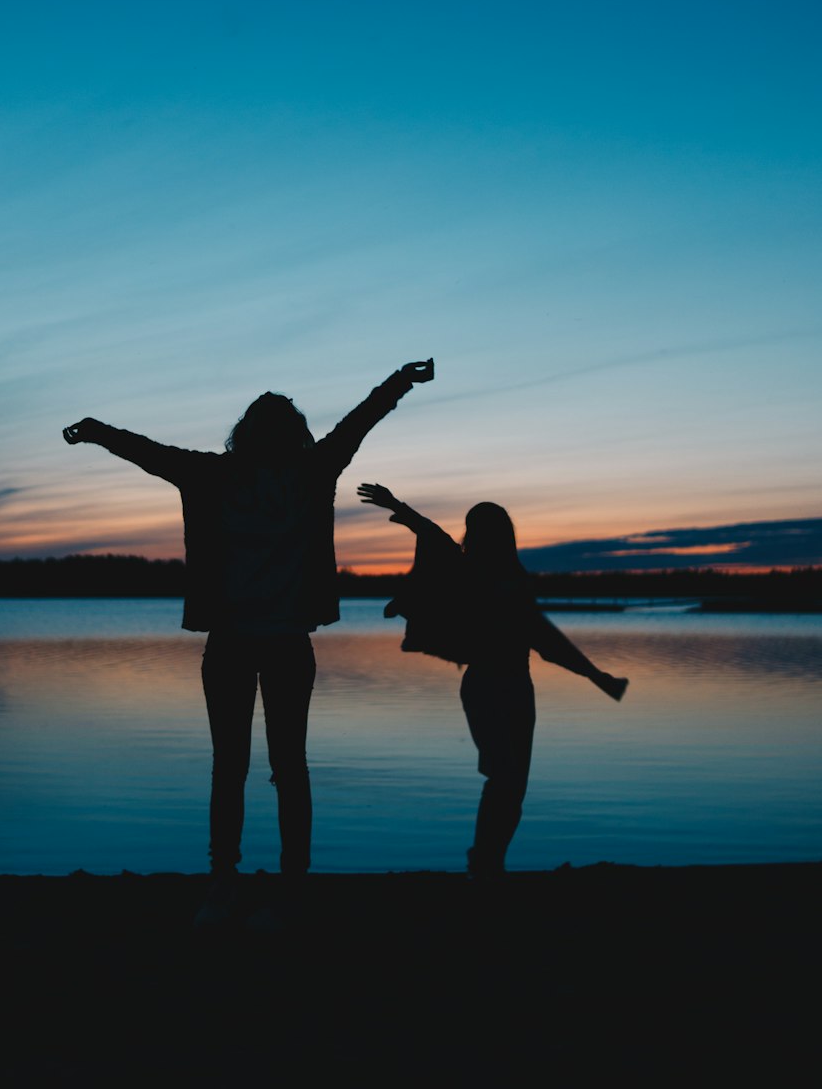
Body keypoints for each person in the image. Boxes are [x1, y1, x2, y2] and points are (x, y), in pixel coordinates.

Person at [63, 359, 434, 925]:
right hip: (275, 643)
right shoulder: (309, 470)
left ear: (246, 432)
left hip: (239, 643)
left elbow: (150, 452)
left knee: (232, 767)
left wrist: (96, 431)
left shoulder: (219, 474)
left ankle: (226, 883)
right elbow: (361, 420)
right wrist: (401, 380)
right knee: (287, 767)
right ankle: (285, 885)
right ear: (295, 433)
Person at [356, 483, 627, 878]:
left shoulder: (512, 580)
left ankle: (488, 859)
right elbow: (435, 537)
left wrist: (594, 675)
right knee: (504, 776)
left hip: (517, 686)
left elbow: (544, 639)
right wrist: (399, 508)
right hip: (487, 687)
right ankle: (485, 861)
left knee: (513, 785)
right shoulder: (467, 572)